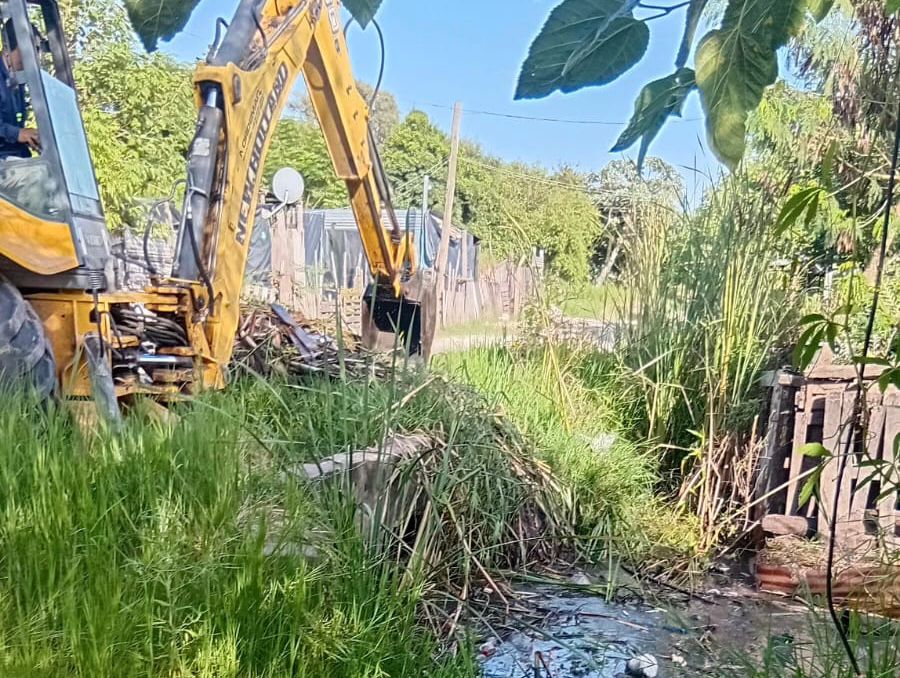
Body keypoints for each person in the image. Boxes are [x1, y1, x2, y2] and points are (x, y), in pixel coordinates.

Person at [0, 19, 39, 159]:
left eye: (37, 50)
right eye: (28, 51)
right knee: (43, 174)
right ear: (7, 49)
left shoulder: (18, 80)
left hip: (12, 157)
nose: (34, 59)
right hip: (3, 161)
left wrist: (31, 138)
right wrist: (18, 134)